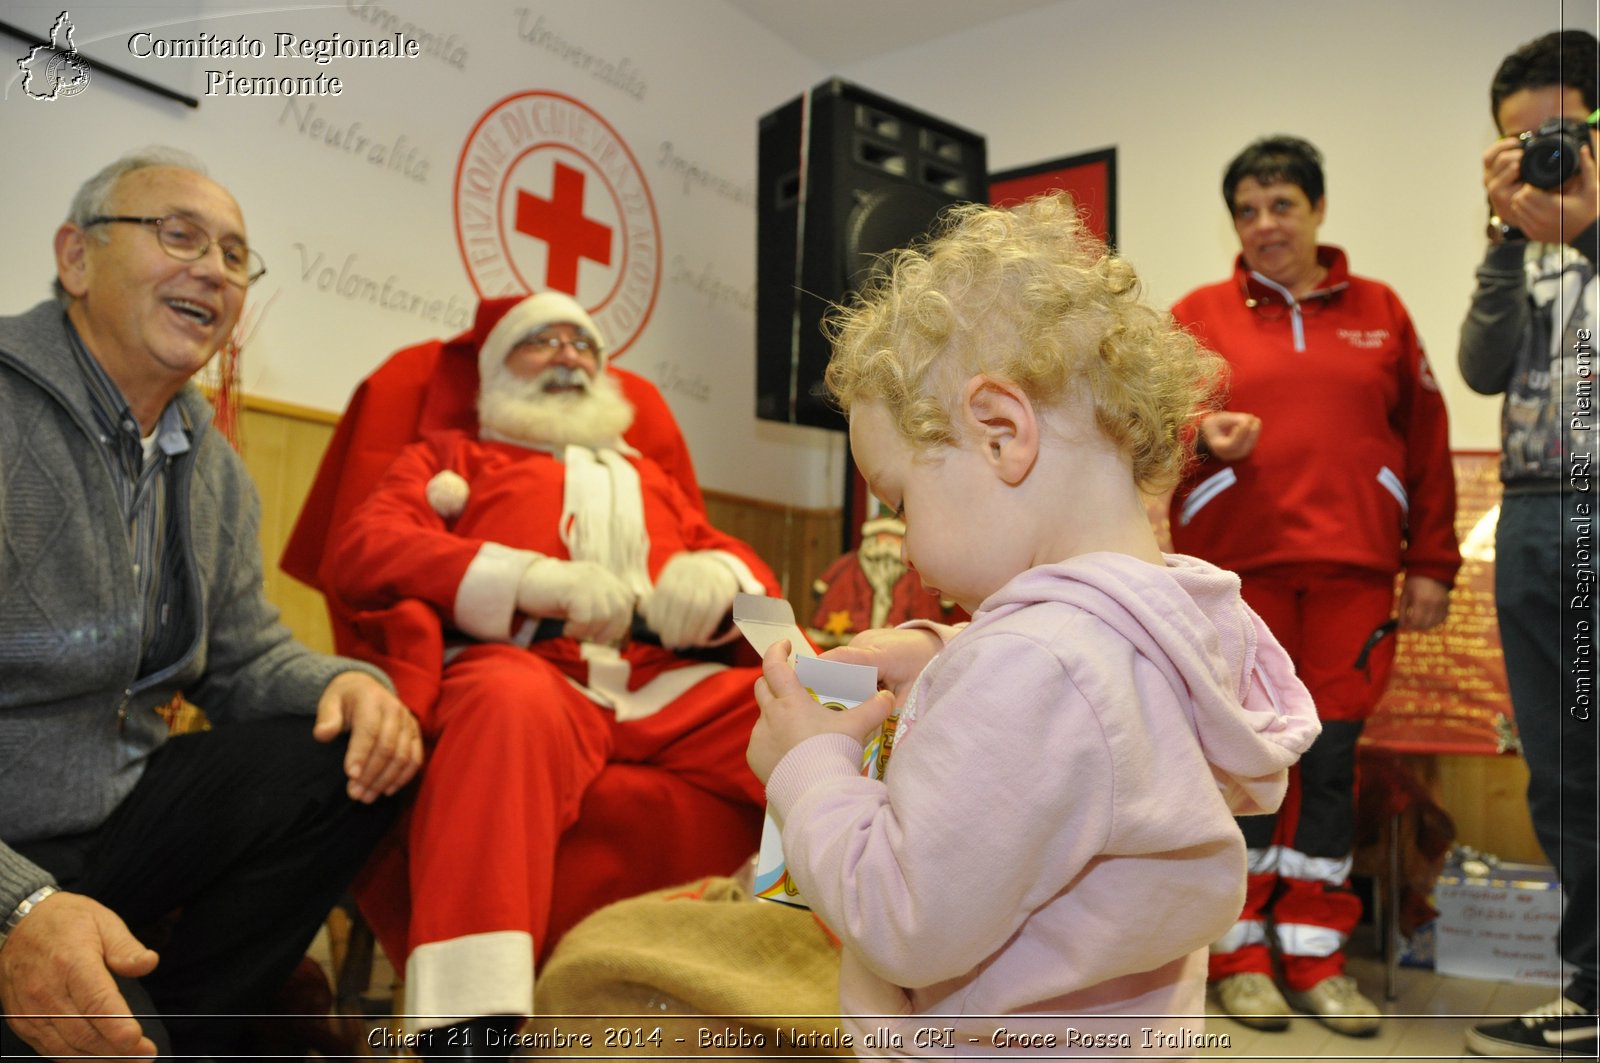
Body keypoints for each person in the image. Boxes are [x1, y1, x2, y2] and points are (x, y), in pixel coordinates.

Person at [745, 192, 1322, 1058]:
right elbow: (1092, 720)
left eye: (901, 499)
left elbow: (904, 917)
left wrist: (807, 767)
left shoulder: (1034, 666)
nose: (902, 540)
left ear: (1001, 433)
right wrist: (943, 650)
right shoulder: (1185, 623)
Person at [0, 147, 422, 1061]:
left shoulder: (212, 463)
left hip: (118, 820)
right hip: (7, 844)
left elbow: (243, 655)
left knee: (355, 760)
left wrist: (349, 684)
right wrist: (16, 903)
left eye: (236, 256)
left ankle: (187, 1032)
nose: (215, 271)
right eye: (179, 235)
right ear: (76, 258)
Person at [324, 291, 780, 1057]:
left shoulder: (649, 476)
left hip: (659, 681)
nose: (570, 354)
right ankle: (469, 1028)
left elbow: (745, 567)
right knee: (504, 702)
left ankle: (810, 965)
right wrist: (528, 578)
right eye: (543, 341)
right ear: (495, 371)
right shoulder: (448, 455)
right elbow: (366, 546)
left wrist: (723, 577)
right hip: (529, 669)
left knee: (819, 708)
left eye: (584, 344)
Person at [1168, 135, 1461, 1036]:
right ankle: (1240, 955)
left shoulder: (1382, 312)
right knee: (1246, 763)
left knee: (1330, 764)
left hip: (1355, 577)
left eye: (1281, 206)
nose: (1264, 226)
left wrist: (1432, 564)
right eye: (1246, 211)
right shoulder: (1196, 313)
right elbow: (1142, 434)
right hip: (1232, 579)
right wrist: (1199, 432)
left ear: (1318, 209)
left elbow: (1427, 442)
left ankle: (1317, 954)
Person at [1458, 29, 1598, 1058]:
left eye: (1556, 134)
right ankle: (1593, 986)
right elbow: (1479, 364)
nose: (1540, 156)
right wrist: (1505, 234)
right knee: (1562, 771)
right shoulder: (1523, 247)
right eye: (1516, 144)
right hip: (1531, 517)